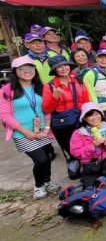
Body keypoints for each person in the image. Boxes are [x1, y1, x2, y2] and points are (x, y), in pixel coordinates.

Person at [0, 56, 60, 200]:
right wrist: (27, 132)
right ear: (15, 71)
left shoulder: (42, 87)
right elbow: (5, 116)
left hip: (42, 130)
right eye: (22, 68)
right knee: (40, 159)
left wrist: (46, 128)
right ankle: (39, 186)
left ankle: (47, 181)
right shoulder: (7, 90)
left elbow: (47, 108)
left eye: (30, 68)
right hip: (22, 133)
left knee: (47, 157)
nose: (27, 71)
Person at [42, 55, 90, 160]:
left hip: (79, 119)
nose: (64, 69)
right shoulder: (49, 86)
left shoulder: (78, 81)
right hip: (62, 123)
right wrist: (55, 97)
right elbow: (46, 109)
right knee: (70, 147)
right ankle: (76, 165)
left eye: (65, 65)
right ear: (54, 70)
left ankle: (87, 165)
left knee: (84, 143)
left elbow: (86, 100)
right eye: (59, 67)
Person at [70, 102, 106, 187]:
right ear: (84, 118)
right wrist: (92, 146)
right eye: (91, 115)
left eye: (97, 114)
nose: (95, 117)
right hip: (91, 162)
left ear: (101, 114)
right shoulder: (79, 133)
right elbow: (75, 152)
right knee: (90, 186)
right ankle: (103, 176)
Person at [82, 48, 106, 130]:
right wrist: (97, 111)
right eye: (100, 57)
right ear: (96, 59)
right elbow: (89, 93)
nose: (104, 60)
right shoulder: (90, 74)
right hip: (100, 110)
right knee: (105, 132)